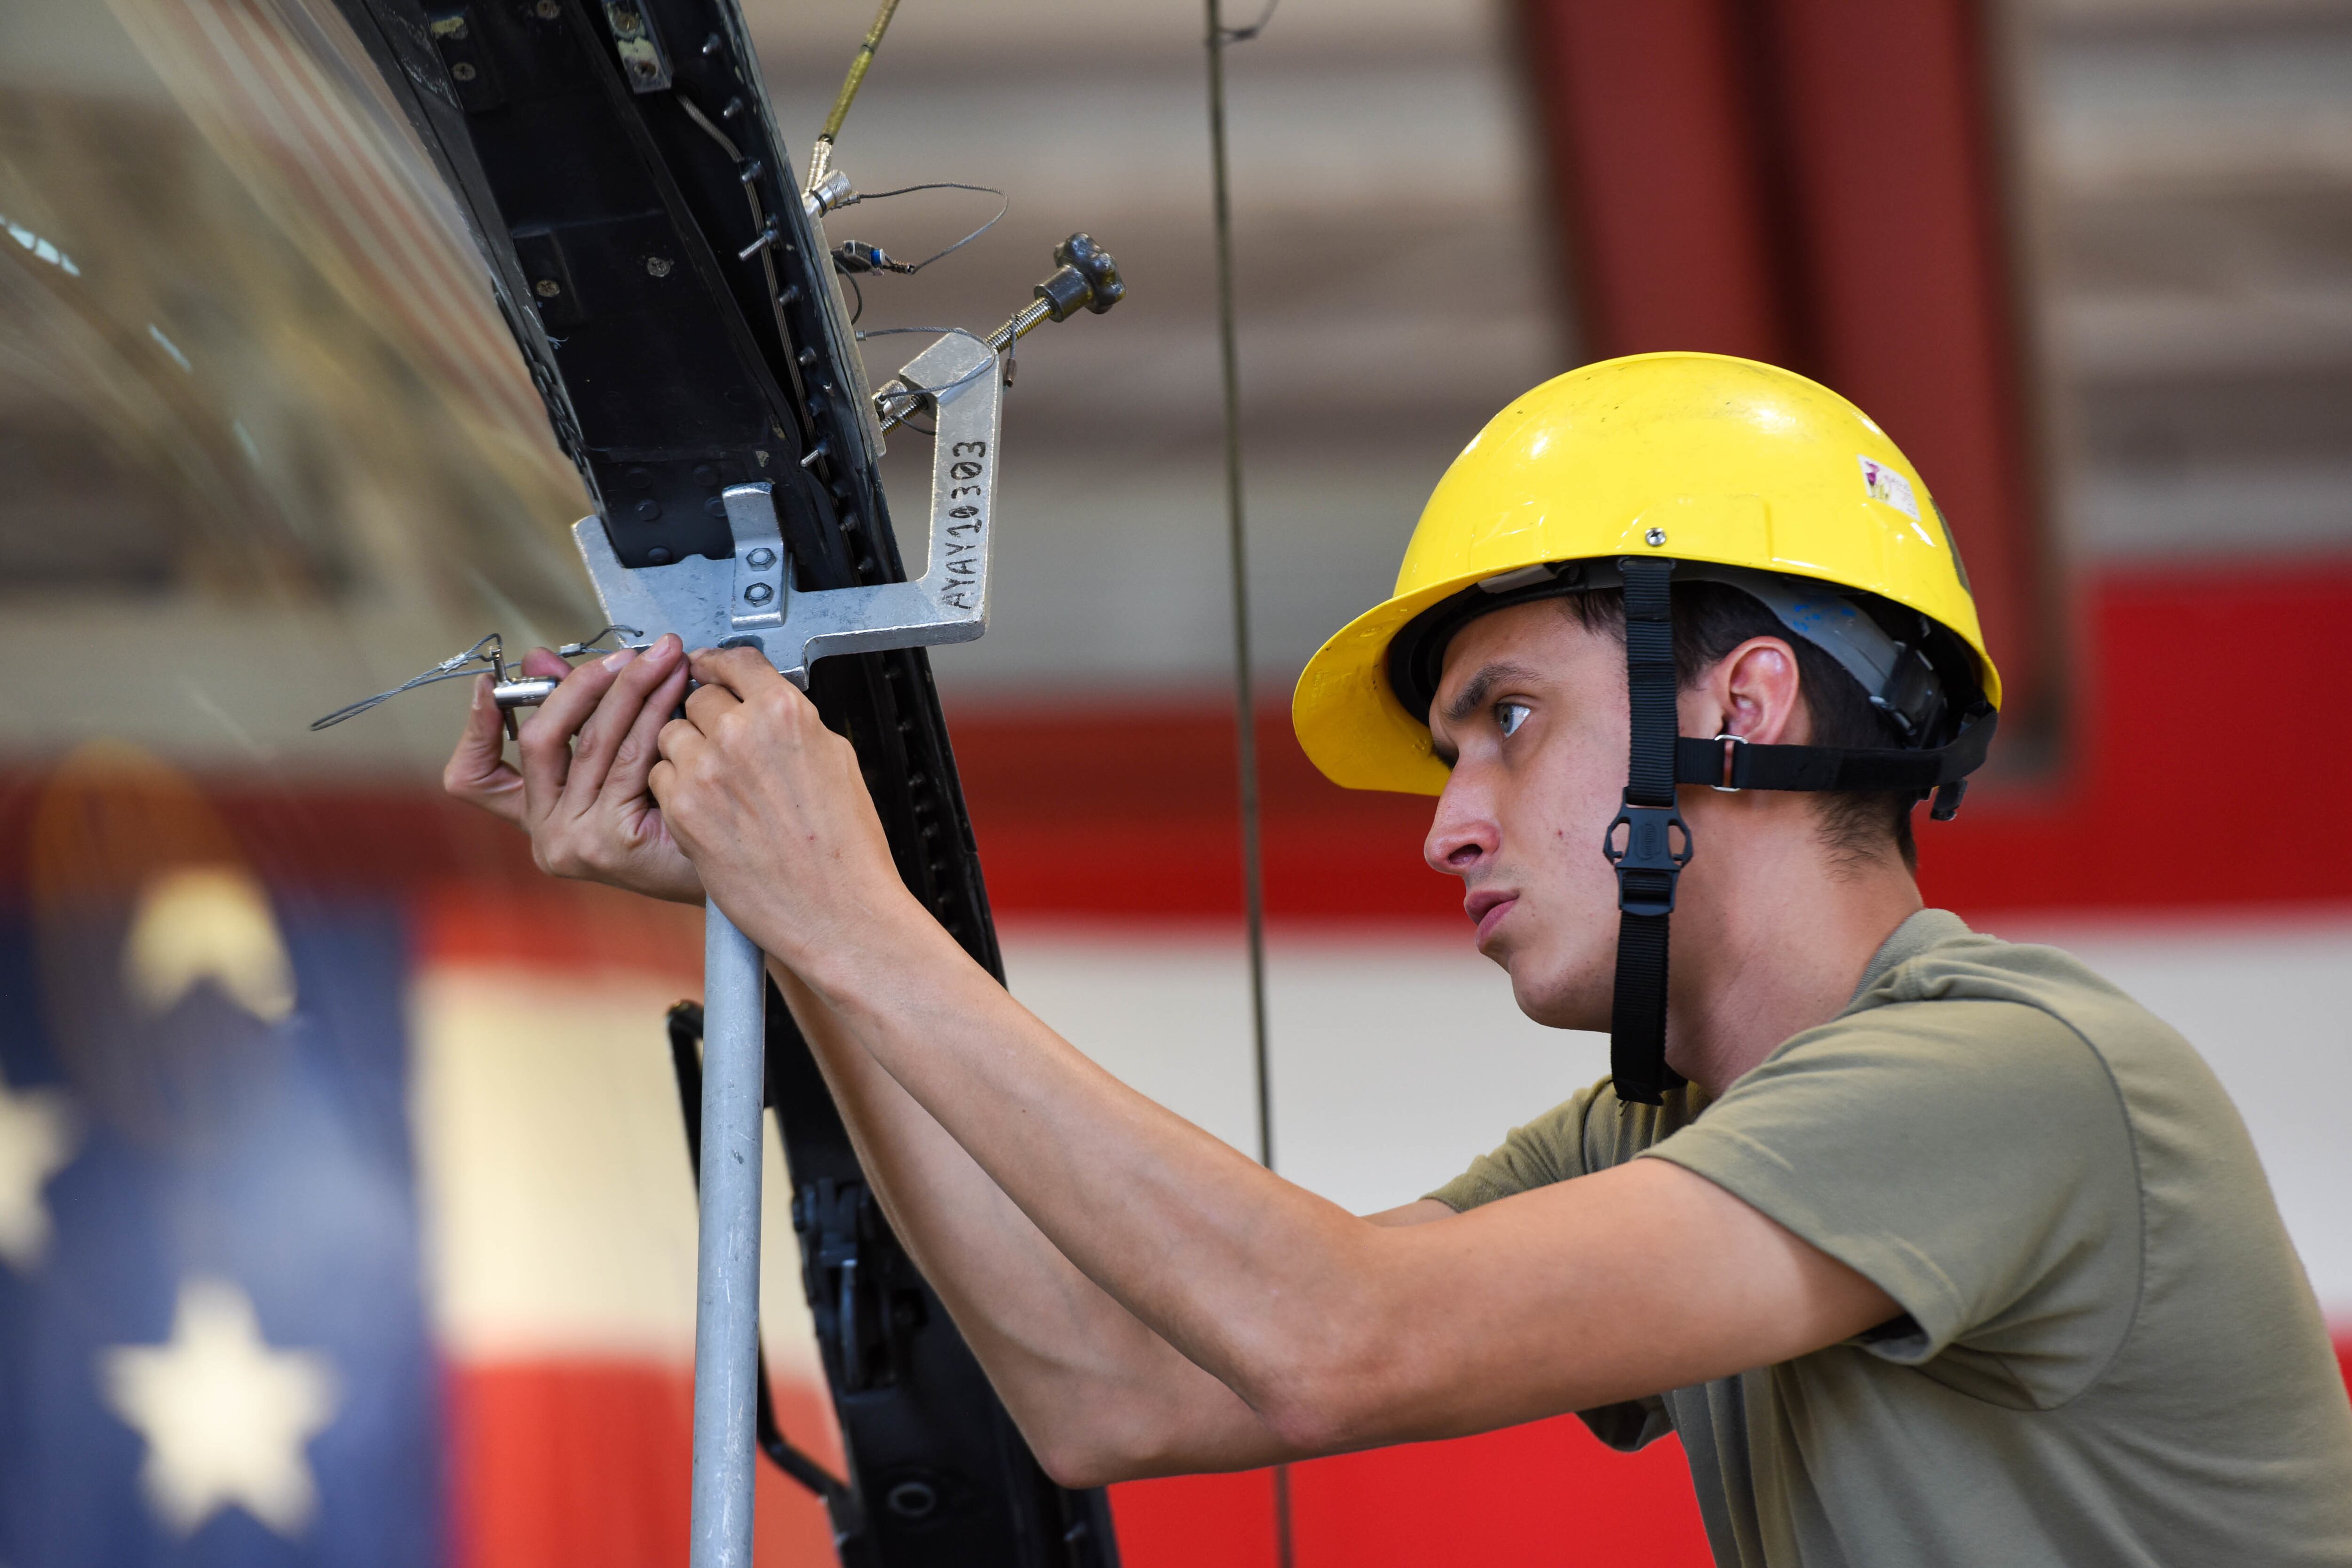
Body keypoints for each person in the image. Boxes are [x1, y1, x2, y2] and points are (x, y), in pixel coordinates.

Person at [444, 352, 2352, 1565]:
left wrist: (849, 907)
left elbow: (1321, 1336)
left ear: (1747, 699)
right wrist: (802, 927)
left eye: (1504, 720)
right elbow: (1111, 1392)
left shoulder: (2011, 1079)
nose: (1444, 819)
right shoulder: (1658, 1141)